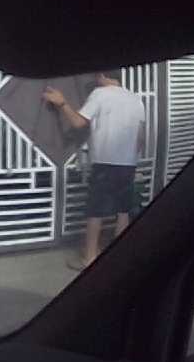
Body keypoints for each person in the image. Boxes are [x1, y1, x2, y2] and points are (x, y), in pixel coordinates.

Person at [44, 70, 146, 269]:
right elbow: (140, 138)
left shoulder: (100, 94)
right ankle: (118, 257)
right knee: (123, 211)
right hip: (128, 164)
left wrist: (62, 103)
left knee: (95, 211)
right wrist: (131, 159)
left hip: (105, 162)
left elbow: (78, 122)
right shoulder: (136, 99)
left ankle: (89, 258)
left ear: (102, 75)